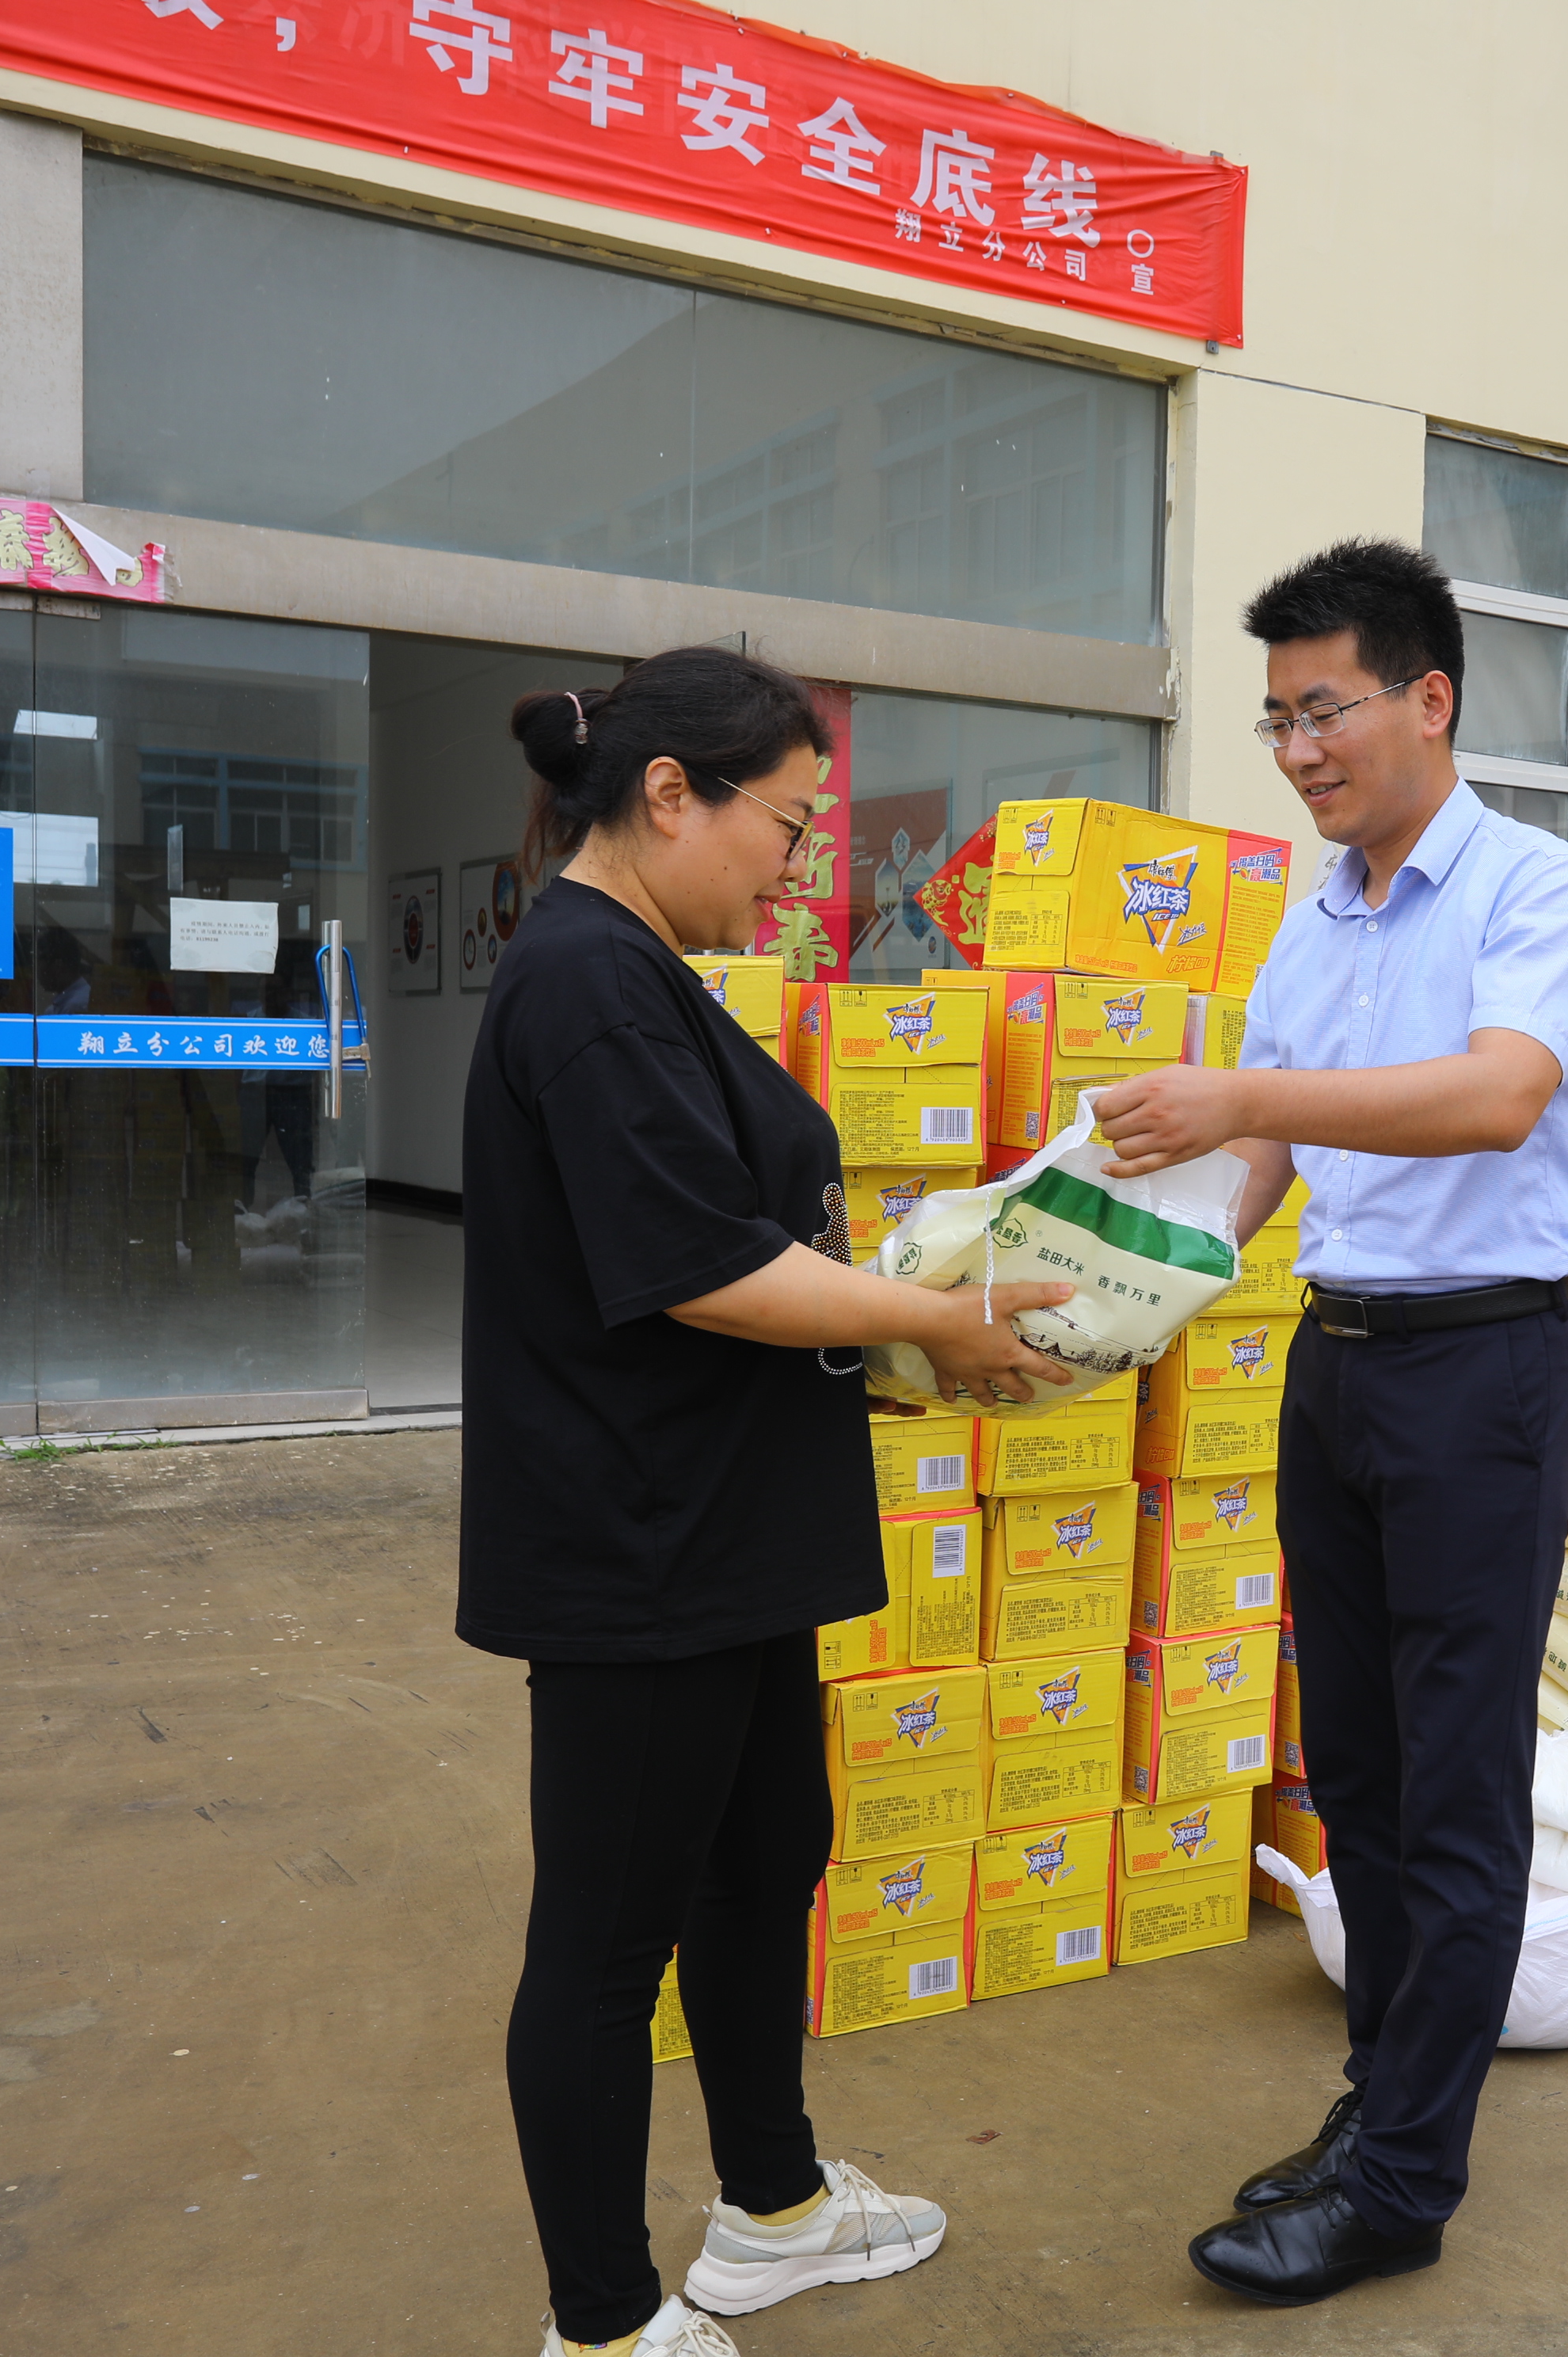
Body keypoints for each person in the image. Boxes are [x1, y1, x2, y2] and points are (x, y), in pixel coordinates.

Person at [459, 645, 1078, 2357]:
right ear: (670, 794)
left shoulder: (644, 972)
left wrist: (904, 1314)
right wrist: (936, 1316)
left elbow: (731, 1241)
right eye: (791, 828)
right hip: (641, 1541)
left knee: (759, 1866)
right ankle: (602, 2325)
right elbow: (700, 1267)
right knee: (606, 1942)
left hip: (727, 1524)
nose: (800, 871)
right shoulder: (585, 981)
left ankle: (773, 2208)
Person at [1091, 540, 1568, 2306]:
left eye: (1322, 710)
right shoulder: (1313, 920)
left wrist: (1245, 1094)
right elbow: (1262, 1157)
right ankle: (1380, 2098)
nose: (1299, 751)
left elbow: (1497, 1096)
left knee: (1457, 1783)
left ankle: (1405, 2183)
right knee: (1365, 1774)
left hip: (1486, 1372)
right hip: (1341, 1366)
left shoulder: (1535, 890)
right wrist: (1117, 1297)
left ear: (1429, 698)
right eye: (1277, 720)